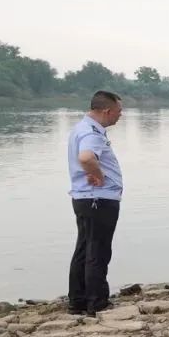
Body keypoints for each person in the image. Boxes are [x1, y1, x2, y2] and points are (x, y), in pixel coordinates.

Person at [67, 91, 124, 316]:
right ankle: (97, 302)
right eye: (119, 111)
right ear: (107, 111)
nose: (121, 115)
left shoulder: (80, 128)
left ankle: (78, 300)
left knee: (84, 248)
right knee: (97, 251)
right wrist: (98, 175)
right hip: (97, 199)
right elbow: (86, 158)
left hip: (84, 198)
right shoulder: (92, 133)